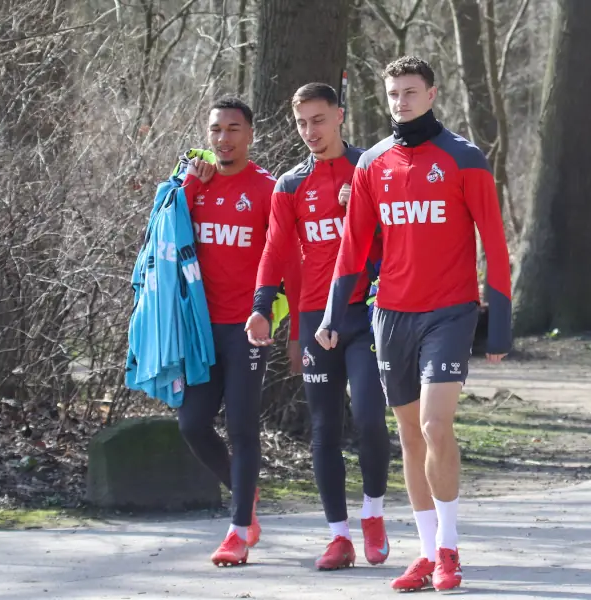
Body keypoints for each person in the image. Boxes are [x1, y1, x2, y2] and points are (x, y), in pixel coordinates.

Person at [314, 56, 511, 592]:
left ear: (432, 94)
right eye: (393, 92)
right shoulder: (373, 163)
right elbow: (352, 247)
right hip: (390, 314)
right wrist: (333, 313)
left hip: (449, 312)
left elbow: (494, 243)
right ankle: (425, 554)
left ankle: (449, 550)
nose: (401, 101)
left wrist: (500, 324)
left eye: (410, 91)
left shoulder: (465, 158)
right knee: (409, 435)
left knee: (434, 425)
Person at [245, 82, 391, 571]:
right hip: (315, 319)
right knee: (325, 429)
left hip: (367, 313)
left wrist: (362, 209)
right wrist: (264, 306)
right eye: (302, 122)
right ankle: (338, 537)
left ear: (340, 117)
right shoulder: (289, 185)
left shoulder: (371, 168)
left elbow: (399, 236)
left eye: (319, 120)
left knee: (370, 417)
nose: (311, 131)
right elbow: (274, 250)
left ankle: (373, 514)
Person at [177, 97, 288, 566]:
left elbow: (284, 259)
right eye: (216, 130)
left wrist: (275, 316)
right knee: (193, 423)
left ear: (250, 134)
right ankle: (246, 492)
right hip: (201, 329)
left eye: (234, 129)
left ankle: (239, 529)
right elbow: (166, 234)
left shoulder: (268, 189)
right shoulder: (194, 185)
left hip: (246, 328)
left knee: (242, 427)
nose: (224, 138)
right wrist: (188, 182)